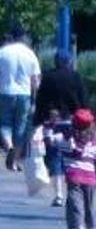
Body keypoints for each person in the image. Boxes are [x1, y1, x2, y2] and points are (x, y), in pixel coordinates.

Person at [36, 51, 88, 206]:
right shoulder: (76, 77)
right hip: (73, 122)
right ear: (69, 62)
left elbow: (41, 100)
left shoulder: (48, 77)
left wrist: (38, 119)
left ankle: (58, 194)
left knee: (54, 157)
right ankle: (74, 189)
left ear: (56, 62)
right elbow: (84, 100)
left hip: (52, 122)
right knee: (74, 155)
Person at [0, 27, 44, 171]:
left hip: (5, 92)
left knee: (4, 123)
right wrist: (35, 99)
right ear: (24, 37)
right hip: (24, 94)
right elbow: (35, 81)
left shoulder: (1, 53)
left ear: (11, 36)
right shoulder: (30, 54)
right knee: (21, 126)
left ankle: (9, 147)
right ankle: (15, 160)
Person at [54, 109, 96, 229]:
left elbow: (50, 140)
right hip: (90, 178)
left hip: (74, 177)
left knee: (77, 207)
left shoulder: (65, 139)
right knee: (88, 207)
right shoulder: (93, 142)